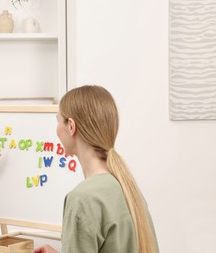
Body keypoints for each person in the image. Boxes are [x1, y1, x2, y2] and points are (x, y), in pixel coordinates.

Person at [34, 85, 159, 253]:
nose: (57, 129)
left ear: (71, 126)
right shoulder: (127, 188)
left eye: (58, 120)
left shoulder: (83, 199)